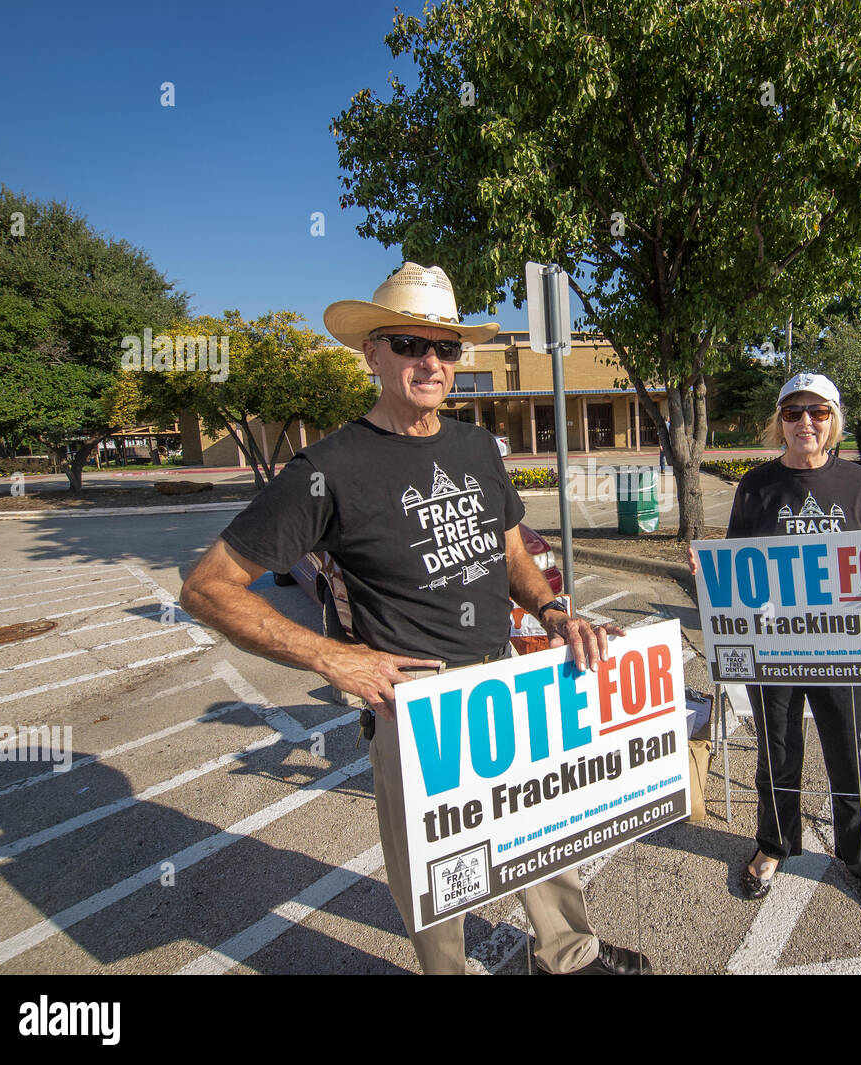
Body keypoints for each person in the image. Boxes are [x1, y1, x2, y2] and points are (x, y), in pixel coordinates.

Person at [181, 262, 652, 974]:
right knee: (439, 876)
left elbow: (508, 547)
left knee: (543, 832)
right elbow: (208, 586)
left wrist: (554, 610)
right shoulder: (327, 468)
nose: (430, 361)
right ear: (371, 352)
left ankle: (568, 955)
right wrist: (329, 657)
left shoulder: (474, 446)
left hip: (505, 681)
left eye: (445, 347)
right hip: (416, 703)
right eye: (407, 342)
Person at [689, 372, 861, 926]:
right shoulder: (755, 486)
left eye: (817, 412)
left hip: (845, 647)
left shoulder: (860, 484)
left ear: (833, 420)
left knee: (851, 754)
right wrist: (709, 572)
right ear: (780, 421)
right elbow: (735, 563)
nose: (805, 422)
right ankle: (774, 845)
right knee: (778, 751)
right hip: (773, 649)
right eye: (794, 412)